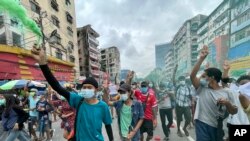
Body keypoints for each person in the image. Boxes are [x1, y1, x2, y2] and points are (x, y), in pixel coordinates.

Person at [31, 46, 114, 141]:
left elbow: (108, 125)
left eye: (89, 87)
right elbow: (57, 87)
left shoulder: (103, 106)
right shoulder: (78, 100)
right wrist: (43, 64)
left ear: (96, 89)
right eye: (84, 87)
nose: (86, 89)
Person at [190, 45, 238, 141]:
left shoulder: (228, 92)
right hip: (202, 124)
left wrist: (227, 103)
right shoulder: (202, 89)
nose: (202, 78)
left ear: (212, 78)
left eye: (204, 76)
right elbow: (192, 76)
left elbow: (234, 111)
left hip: (218, 127)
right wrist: (201, 59)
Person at [173, 69, 192, 137]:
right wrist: (174, 72)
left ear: (185, 80)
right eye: (180, 80)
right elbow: (173, 80)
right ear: (179, 81)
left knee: (189, 118)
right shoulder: (177, 87)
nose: (182, 81)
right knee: (179, 119)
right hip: (179, 106)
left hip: (186, 106)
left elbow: (190, 96)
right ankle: (178, 130)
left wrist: (192, 102)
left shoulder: (188, 87)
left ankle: (184, 128)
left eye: (183, 79)